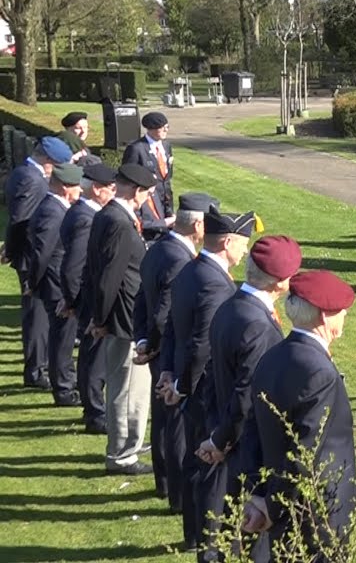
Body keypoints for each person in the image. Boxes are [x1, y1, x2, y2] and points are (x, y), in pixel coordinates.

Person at [244, 270, 356, 560]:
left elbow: (253, 430)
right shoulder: (320, 373)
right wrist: (272, 506)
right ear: (323, 317)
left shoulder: (272, 357)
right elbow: (304, 451)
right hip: (316, 513)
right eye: (340, 311)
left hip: (279, 502)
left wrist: (260, 497)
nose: (344, 315)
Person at [202, 235, 302, 562]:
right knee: (253, 538)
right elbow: (248, 396)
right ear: (281, 283)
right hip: (250, 449)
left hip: (230, 436)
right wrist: (223, 439)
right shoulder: (260, 327)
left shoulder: (232, 305)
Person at [168, 209, 255, 549]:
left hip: (190, 389)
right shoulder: (217, 285)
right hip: (207, 391)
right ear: (228, 242)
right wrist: (183, 385)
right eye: (243, 244)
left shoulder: (191, 269)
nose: (246, 251)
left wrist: (173, 378)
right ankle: (208, 544)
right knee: (211, 472)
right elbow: (201, 345)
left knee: (196, 465)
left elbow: (175, 329)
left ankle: (193, 536)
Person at [135, 193, 213, 516]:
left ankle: (164, 482)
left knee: (164, 421)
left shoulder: (158, 250)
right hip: (172, 354)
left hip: (158, 353)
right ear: (198, 224)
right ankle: (178, 494)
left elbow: (142, 301)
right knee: (177, 425)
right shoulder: (181, 261)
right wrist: (155, 344)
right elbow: (162, 317)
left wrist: (143, 342)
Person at [83, 163, 158, 475]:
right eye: (146, 194)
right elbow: (108, 277)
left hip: (118, 316)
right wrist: (100, 319)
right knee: (128, 389)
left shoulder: (108, 215)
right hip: (125, 320)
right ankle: (122, 454)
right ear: (136, 191)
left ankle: (128, 443)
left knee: (126, 386)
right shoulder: (120, 223)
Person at [5, 135, 72, 389]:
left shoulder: (24, 172)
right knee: (37, 317)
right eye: (55, 164)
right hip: (34, 258)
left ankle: (39, 366)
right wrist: (12, 251)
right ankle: (35, 370)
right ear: (46, 159)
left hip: (33, 255)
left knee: (39, 315)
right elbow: (20, 221)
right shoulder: (32, 180)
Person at [63, 162, 116, 434]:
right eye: (111, 188)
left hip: (86, 298)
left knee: (90, 357)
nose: (115, 192)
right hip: (90, 300)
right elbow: (75, 267)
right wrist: (73, 301)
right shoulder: (87, 218)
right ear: (96, 189)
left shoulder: (82, 212)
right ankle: (96, 414)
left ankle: (92, 409)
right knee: (94, 360)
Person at [26, 163, 83, 407]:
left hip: (53, 281)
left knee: (63, 336)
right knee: (63, 338)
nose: (81, 190)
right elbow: (43, 252)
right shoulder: (53, 211)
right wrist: (34, 282)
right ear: (65, 187)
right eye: (77, 186)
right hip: (55, 283)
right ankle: (64, 389)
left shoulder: (54, 207)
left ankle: (65, 381)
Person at [123, 111, 176, 244]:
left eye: (167, 126)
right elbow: (128, 177)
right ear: (151, 129)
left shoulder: (166, 146)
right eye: (162, 127)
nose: (166, 130)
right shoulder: (136, 149)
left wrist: (170, 210)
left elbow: (167, 178)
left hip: (166, 202)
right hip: (147, 204)